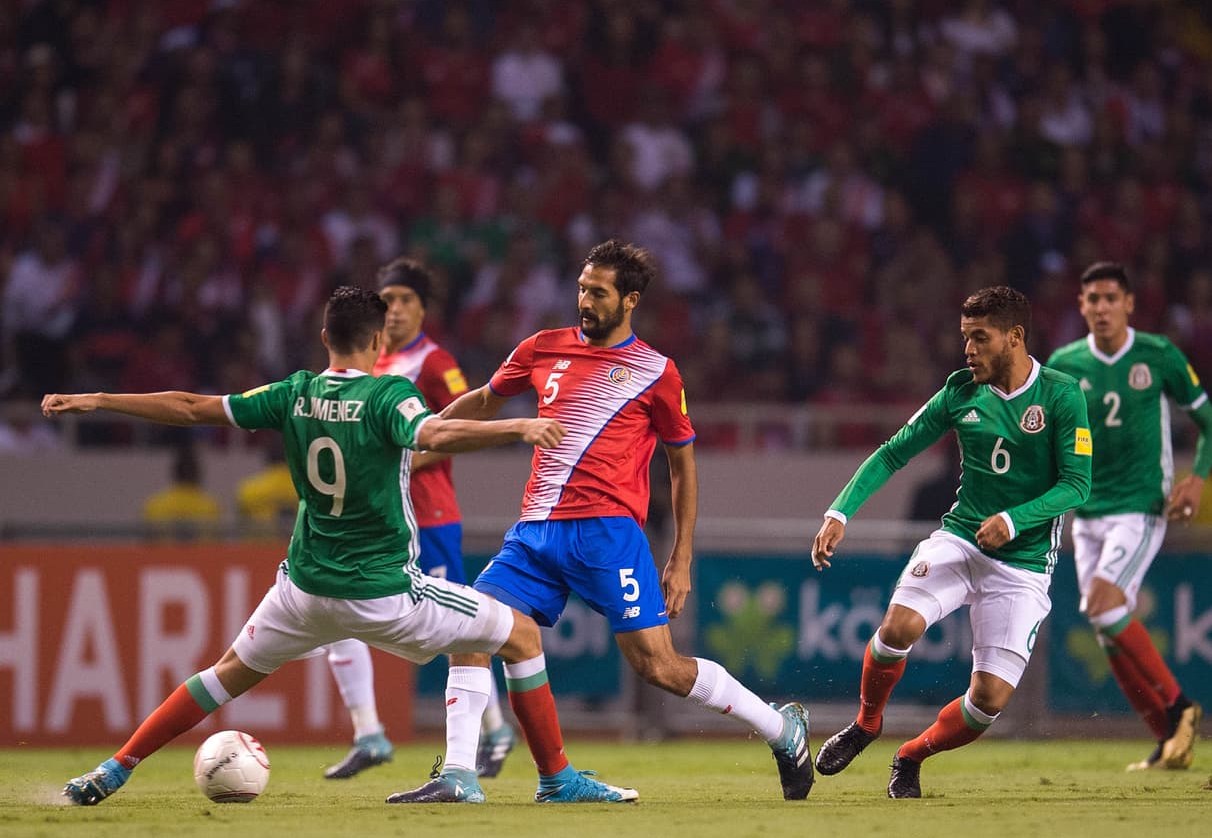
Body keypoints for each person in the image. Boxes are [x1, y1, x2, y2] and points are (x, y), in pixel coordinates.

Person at [45, 286, 636, 806]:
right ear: (378, 341)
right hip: (384, 593)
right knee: (521, 634)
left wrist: (100, 400)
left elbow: (192, 406)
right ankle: (554, 779)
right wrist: (516, 426)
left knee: (223, 675)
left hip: (302, 592)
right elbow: (435, 432)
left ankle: (114, 768)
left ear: (325, 336)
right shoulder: (389, 396)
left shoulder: (294, 392)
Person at [426, 239, 814, 802]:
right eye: (582, 289)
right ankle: (463, 776)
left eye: (599, 293)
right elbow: (486, 401)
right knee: (475, 629)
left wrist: (680, 556)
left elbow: (682, 466)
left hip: (608, 535)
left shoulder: (657, 372)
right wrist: (421, 432)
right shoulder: (541, 347)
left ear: (630, 300)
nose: (585, 301)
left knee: (659, 666)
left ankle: (781, 728)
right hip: (534, 531)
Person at [811, 285, 1092, 798]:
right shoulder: (961, 391)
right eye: (965, 337)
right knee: (897, 628)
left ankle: (910, 755)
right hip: (961, 540)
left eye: (980, 338)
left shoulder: (1061, 395)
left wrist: (1013, 520)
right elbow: (893, 452)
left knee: (988, 701)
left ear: (1015, 337)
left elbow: (1077, 484)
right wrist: (839, 512)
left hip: (1024, 563)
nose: (968, 350)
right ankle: (867, 724)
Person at [320, 259, 515, 781]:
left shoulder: (435, 362)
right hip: (373, 517)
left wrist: (401, 460)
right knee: (335, 611)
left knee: (459, 627)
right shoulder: (366, 365)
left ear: (424, 310)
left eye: (407, 299)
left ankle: (496, 730)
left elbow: (465, 426)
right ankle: (369, 733)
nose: (396, 309)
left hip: (429, 516)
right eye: (389, 299)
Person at [1047, 261, 1212, 770]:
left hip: (1141, 507)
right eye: (1093, 299)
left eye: (1110, 298)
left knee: (1105, 606)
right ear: (1081, 306)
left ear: (1128, 304)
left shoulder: (1158, 355)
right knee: (1106, 629)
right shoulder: (1064, 363)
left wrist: (1196, 479)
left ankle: (1182, 707)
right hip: (1087, 512)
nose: (1102, 308)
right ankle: (1168, 740)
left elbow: (1210, 423)